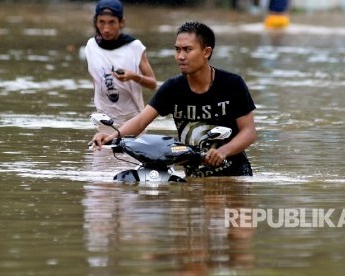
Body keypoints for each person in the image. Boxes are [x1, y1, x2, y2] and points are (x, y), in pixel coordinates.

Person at [91, 21, 257, 177]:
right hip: (194, 178)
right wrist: (111, 137)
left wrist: (223, 151)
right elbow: (141, 121)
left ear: (206, 52)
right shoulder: (173, 87)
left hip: (235, 176)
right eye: (177, 50)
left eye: (187, 50)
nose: (180, 56)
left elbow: (248, 132)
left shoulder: (232, 84)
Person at [85, 0, 157, 128]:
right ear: (96, 22)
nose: (106, 29)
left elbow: (152, 84)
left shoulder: (135, 47)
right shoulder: (91, 46)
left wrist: (133, 76)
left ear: (121, 22)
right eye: (102, 22)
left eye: (111, 22)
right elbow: (96, 81)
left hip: (133, 120)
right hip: (104, 120)